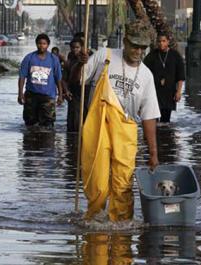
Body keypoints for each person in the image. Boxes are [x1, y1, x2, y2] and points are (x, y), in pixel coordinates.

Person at [72, 19, 160, 222]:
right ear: (125, 42)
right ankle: (93, 224)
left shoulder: (146, 76)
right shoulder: (105, 56)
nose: (138, 51)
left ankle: (121, 232)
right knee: (99, 185)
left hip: (125, 133)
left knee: (122, 186)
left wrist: (153, 154)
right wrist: (80, 63)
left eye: (142, 47)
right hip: (98, 128)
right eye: (134, 45)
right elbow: (77, 83)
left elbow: (148, 116)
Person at [18, 33, 64, 129]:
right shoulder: (29, 58)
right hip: (31, 95)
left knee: (48, 124)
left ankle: (46, 142)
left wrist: (60, 95)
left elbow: (58, 78)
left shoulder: (54, 59)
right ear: (36, 44)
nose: (41, 45)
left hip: (48, 97)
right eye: (39, 43)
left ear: (48, 45)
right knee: (30, 123)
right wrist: (20, 93)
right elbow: (22, 76)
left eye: (44, 43)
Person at [144, 33, 185, 123]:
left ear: (168, 42)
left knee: (166, 121)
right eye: (159, 41)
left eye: (163, 41)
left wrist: (178, 92)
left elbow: (180, 76)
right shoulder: (152, 55)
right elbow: (144, 73)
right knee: (153, 118)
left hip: (169, 93)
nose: (161, 43)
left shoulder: (175, 56)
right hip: (154, 92)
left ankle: (166, 136)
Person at [63, 38, 88, 132]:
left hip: (86, 92)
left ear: (81, 48)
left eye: (77, 47)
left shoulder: (89, 60)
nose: (75, 50)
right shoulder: (69, 63)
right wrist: (66, 91)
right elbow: (64, 80)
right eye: (73, 48)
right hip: (74, 93)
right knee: (74, 119)